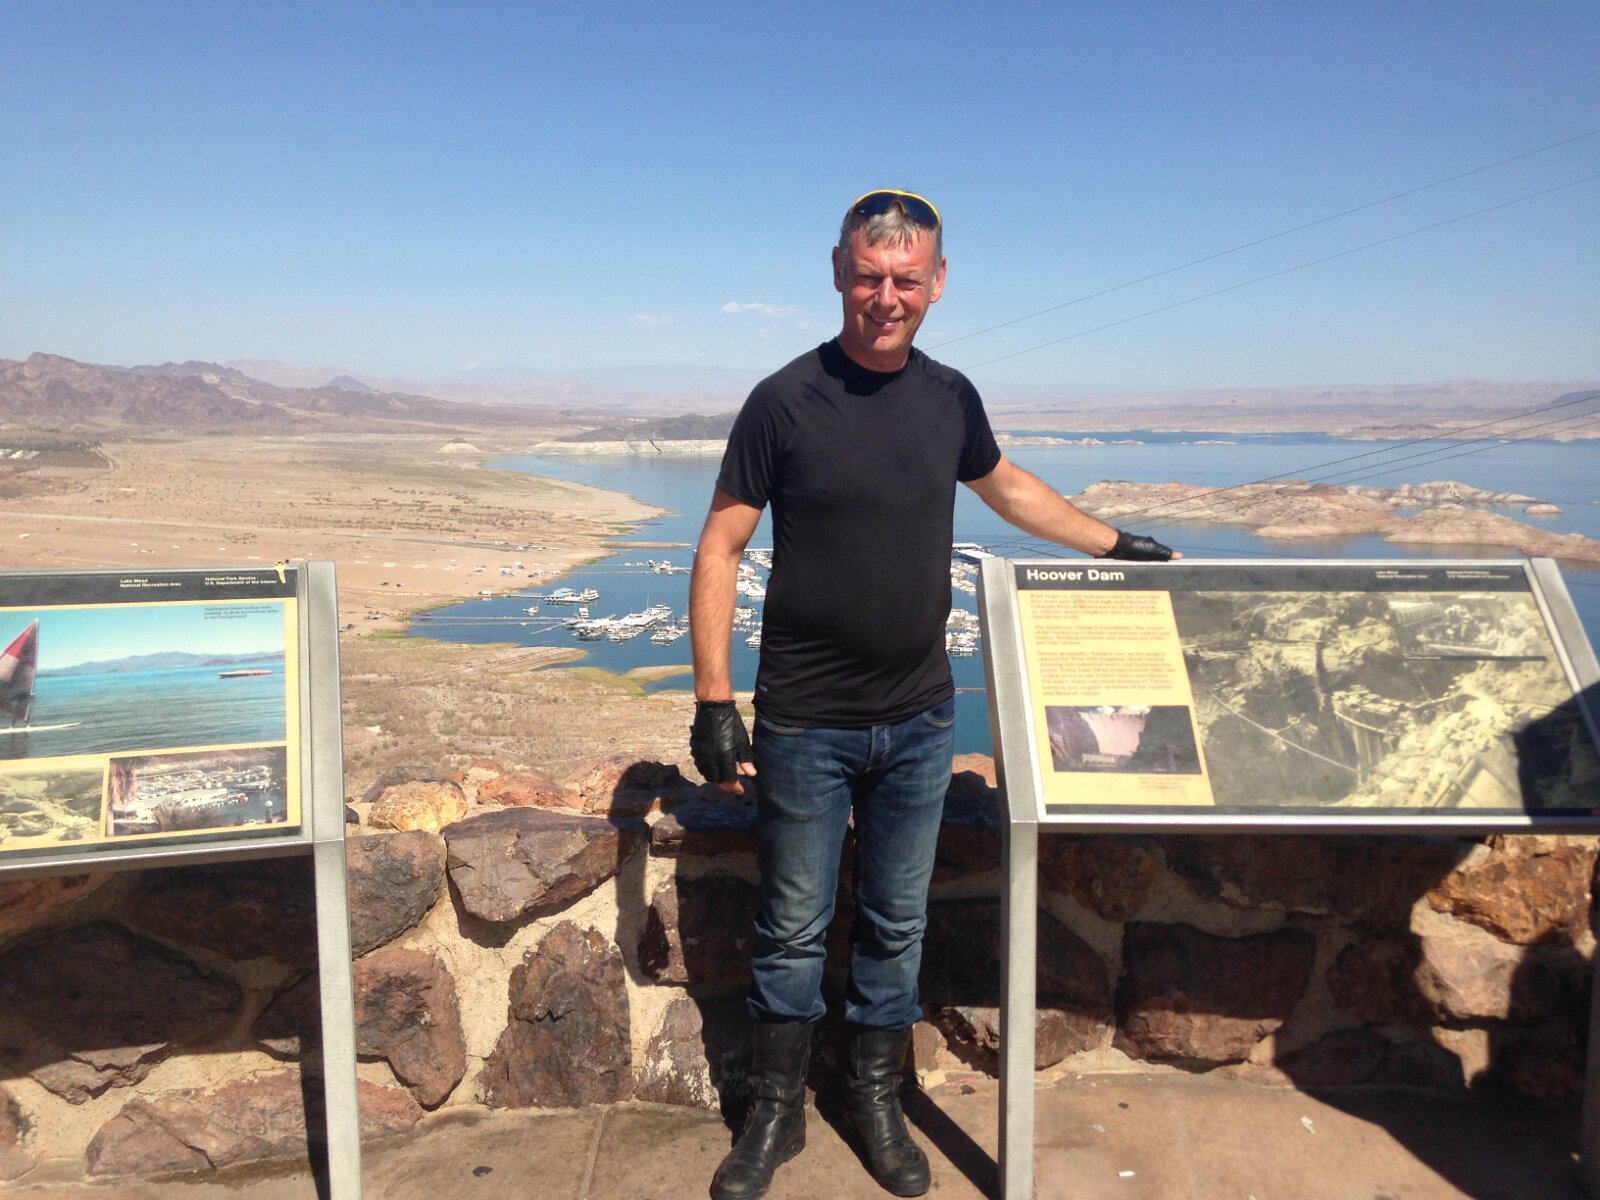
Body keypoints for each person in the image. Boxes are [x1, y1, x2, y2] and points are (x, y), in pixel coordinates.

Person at [688, 188, 1178, 1200]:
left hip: (917, 720)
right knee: (789, 926)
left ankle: (875, 1097)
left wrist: (1112, 544)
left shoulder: (951, 398)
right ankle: (775, 1112)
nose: (886, 297)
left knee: (895, 923)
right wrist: (712, 699)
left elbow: (1007, 486)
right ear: (837, 272)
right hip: (805, 722)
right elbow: (722, 543)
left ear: (938, 282)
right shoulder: (783, 401)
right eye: (868, 276)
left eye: (905, 279)